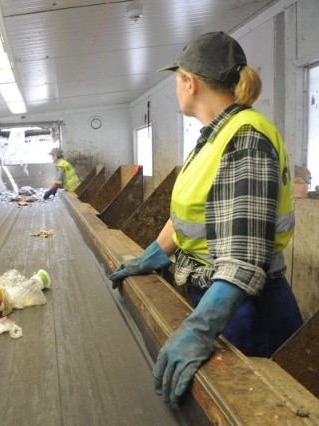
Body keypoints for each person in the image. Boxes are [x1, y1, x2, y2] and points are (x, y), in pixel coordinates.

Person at [109, 32, 303, 405]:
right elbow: (190, 217)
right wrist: (151, 255)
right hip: (215, 296)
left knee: (251, 404)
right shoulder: (212, 137)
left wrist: (199, 329)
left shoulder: (244, 139)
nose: (176, 87)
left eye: (177, 78)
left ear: (190, 82)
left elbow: (244, 260)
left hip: (243, 306)